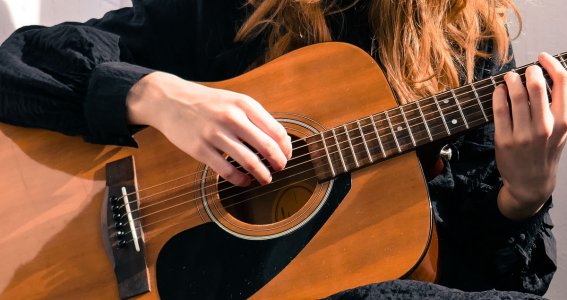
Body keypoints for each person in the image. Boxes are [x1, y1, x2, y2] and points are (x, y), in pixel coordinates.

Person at [0, 0, 565, 298]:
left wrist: (524, 196)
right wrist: (157, 96)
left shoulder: (470, 46)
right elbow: (17, 68)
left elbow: (470, 282)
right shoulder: (228, 9)